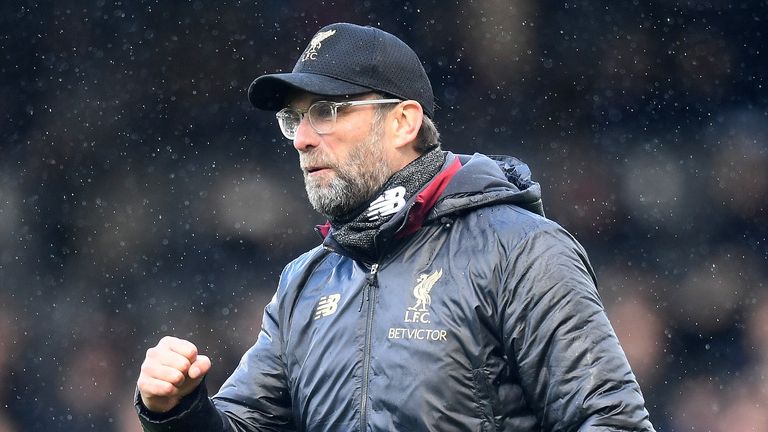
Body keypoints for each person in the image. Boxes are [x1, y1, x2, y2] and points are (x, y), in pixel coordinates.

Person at [135, 22, 655, 431]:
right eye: (294, 119)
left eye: (328, 111)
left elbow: (610, 421)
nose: (302, 139)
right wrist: (178, 411)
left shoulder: (520, 249)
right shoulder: (305, 281)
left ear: (404, 121)